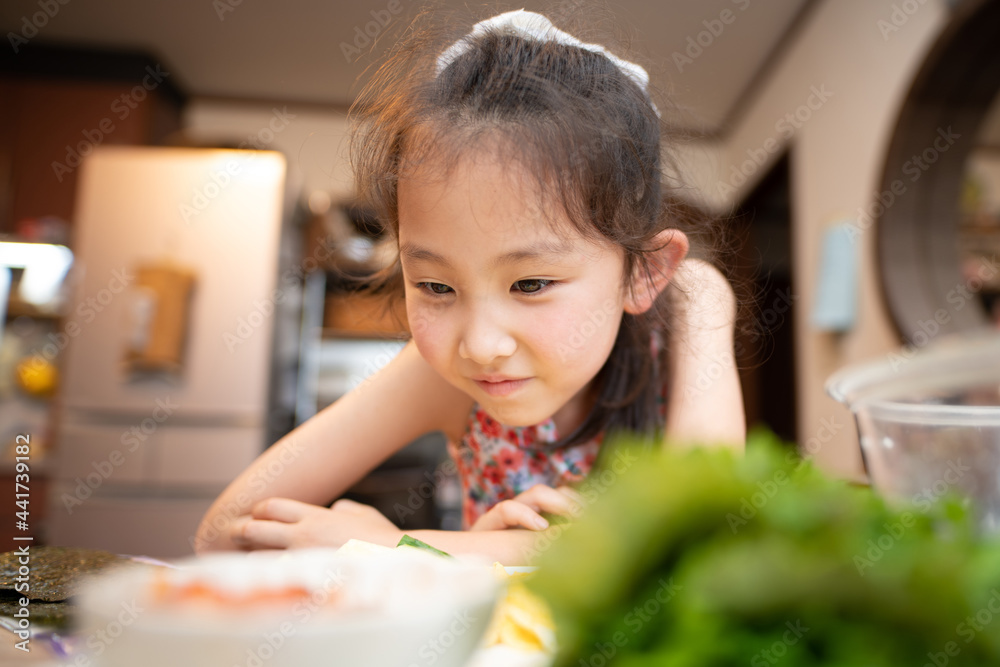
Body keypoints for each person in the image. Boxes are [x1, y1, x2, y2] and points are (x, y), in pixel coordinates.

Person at [195, 8, 745, 564]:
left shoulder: (691, 300)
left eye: (530, 283)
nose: (481, 345)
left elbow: (702, 543)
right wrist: (484, 550)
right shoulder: (444, 378)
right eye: (435, 286)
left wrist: (397, 546)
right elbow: (226, 531)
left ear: (645, 271)